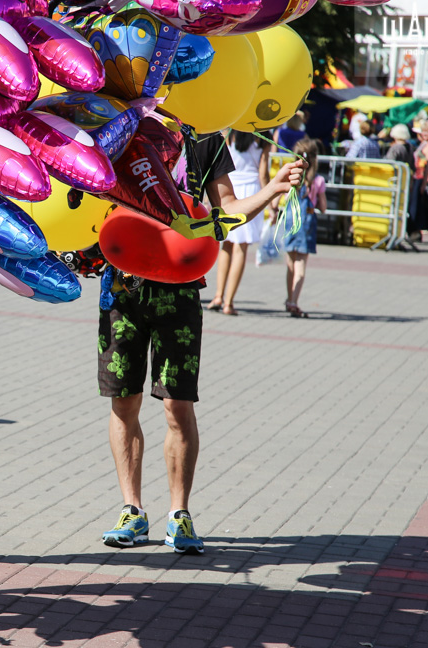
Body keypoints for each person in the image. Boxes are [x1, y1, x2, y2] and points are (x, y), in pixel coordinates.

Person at [98, 131, 304, 554]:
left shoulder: (205, 139)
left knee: (178, 405)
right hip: (123, 285)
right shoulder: (123, 127)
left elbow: (225, 210)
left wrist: (272, 188)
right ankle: (131, 510)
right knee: (124, 401)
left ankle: (179, 514)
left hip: (181, 286)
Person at [207, 131, 270, 315]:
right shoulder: (263, 135)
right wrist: (270, 201)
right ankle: (229, 303)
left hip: (229, 187)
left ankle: (218, 296)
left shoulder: (230, 131)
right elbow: (263, 172)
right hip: (251, 191)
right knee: (241, 248)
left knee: (226, 244)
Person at [280, 138, 325, 318]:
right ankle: (294, 301)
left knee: (290, 263)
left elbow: (280, 199)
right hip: (306, 222)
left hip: (290, 219)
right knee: (301, 264)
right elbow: (323, 206)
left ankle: (289, 297)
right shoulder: (318, 180)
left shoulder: (291, 176)